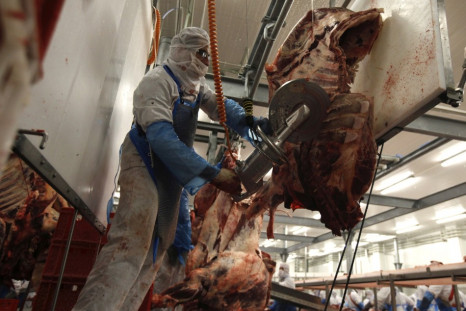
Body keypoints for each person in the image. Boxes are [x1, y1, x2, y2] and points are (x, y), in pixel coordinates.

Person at [72, 27, 271, 311]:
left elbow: (224, 108)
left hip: (171, 174)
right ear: (181, 51)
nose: (204, 60)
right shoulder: (157, 82)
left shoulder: (194, 88)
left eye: (207, 54)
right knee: (131, 244)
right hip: (145, 163)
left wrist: (255, 124)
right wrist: (213, 174)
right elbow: (161, 138)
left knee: (156, 252)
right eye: (200, 53)